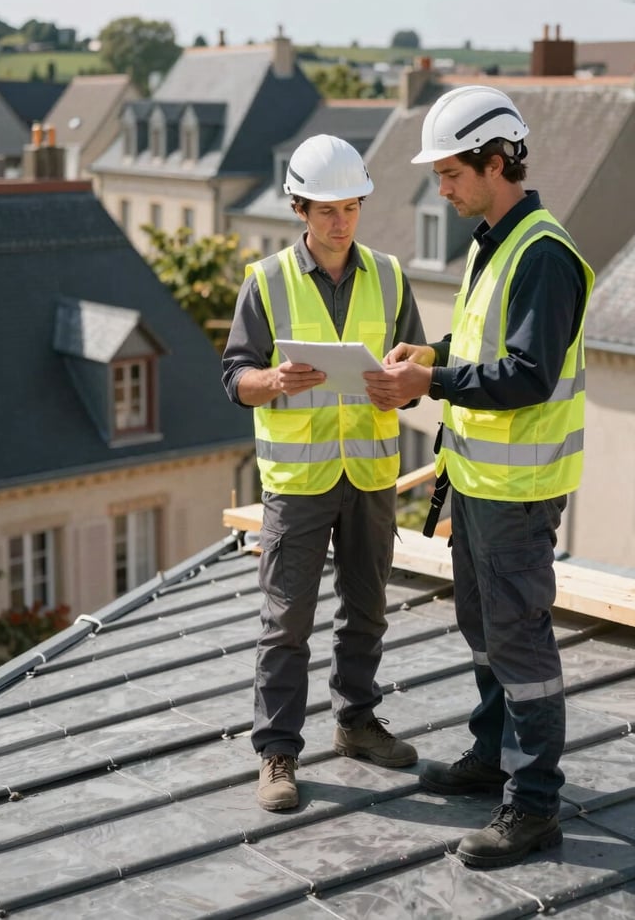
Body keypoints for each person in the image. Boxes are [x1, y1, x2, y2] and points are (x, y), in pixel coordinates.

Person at [364, 85, 595, 868]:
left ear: (498, 163)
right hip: (480, 485)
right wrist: (429, 359)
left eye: (452, 172)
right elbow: (482, 355)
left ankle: (533, 807)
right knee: (485, 630)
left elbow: (527, 375)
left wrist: (428, 386)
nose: (442, 187)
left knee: (521, 645)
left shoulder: (543, 255)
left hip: (519, 497)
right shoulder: (491, 243)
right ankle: (493, 756)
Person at [222, 134, 425, 812]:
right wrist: (272, 378)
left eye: (350, 207)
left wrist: (404, 382)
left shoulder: (391, 276)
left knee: (367, 609)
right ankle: (277, 751)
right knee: (287, 623)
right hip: (299, 486)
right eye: (326, 209)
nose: (341, 221)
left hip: (368, 477)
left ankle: (356, 722)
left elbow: (418, 371)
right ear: (300, 208)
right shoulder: (268, 280)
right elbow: (235, 378)